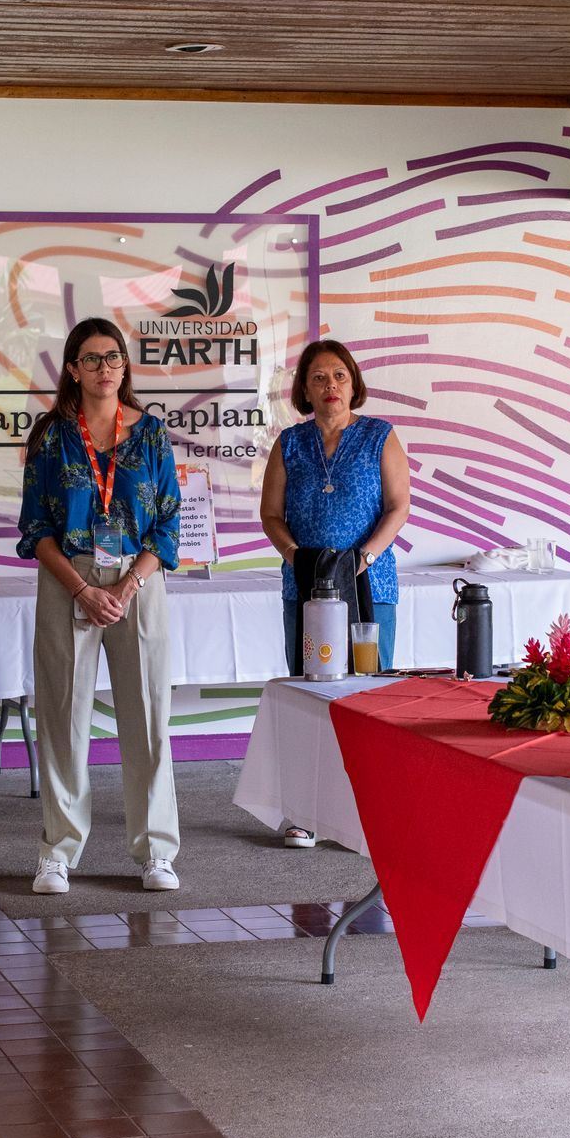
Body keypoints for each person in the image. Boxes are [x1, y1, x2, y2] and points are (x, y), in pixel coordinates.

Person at [18, 318, 182, 895]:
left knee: (148, 717)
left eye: (113, 357)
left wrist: (125, 586)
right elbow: (34, 528)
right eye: (91, 359)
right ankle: (57, 852)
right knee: (63, 717)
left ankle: (156, 852)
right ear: (72, 369)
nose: (104, 368)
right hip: (70, 578)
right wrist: (84, 589)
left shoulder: (153, 434)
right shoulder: (51, 435)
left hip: (137, 579)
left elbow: (167, 524)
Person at [259, 338, 410, 847]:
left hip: (371, 585)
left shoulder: (379, 436)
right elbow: (271, 515)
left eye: (339, 376)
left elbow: (398, 508)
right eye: (319, 377)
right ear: (304, 387)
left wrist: (361, 559)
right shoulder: (290, 443)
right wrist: (297, 558)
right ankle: (303, 811)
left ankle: (371, 809)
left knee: (368, 695)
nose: (330, 386)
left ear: (354, 383)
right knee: (309, 695)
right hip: (304, 587)